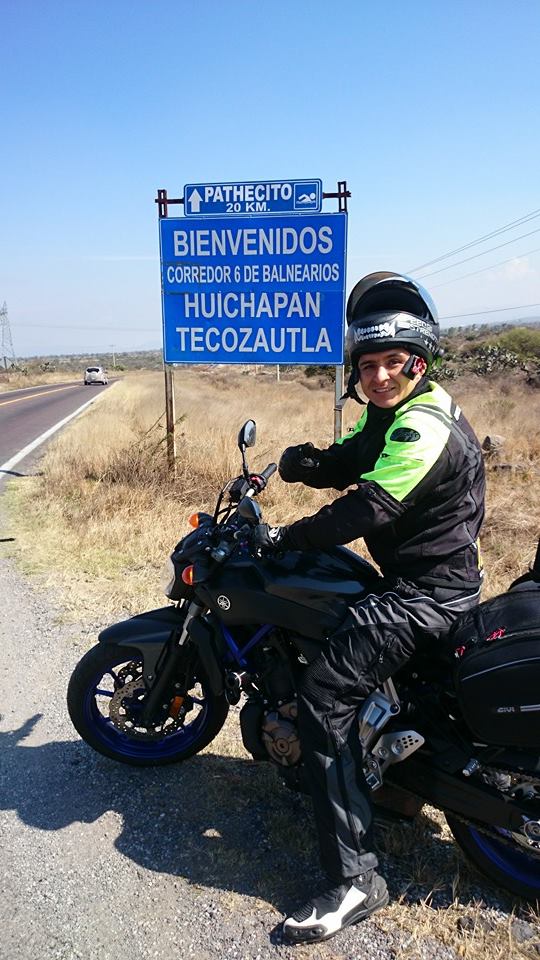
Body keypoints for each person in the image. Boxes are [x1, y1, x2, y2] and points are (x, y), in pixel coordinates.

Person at [254, 271, 486, 945]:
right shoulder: (392, 413)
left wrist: (286, 538)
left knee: (324, 696)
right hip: (417, 581)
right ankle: (398, 788)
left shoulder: (422, 424)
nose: (380, 376)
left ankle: (355, 881)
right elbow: (355, 458)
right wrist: (305, 464)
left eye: (393, 363)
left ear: (418, 361)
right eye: (368, 365)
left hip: (429, 595)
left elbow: (368, 507)